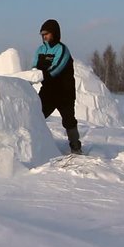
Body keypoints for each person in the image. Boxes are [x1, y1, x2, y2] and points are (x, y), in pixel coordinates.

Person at [33, 19, 83, 155]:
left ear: (55, 33)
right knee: (36, 116)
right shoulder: (40, 50)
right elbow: (34, 69)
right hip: (48, 92)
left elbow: (56, 68)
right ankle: (36, 145)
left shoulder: (62, 50)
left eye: (47, 34)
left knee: (69, 121)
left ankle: (75, 146)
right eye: (42, 34)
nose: (44, 37)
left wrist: (41, 74)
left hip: (64, 92)